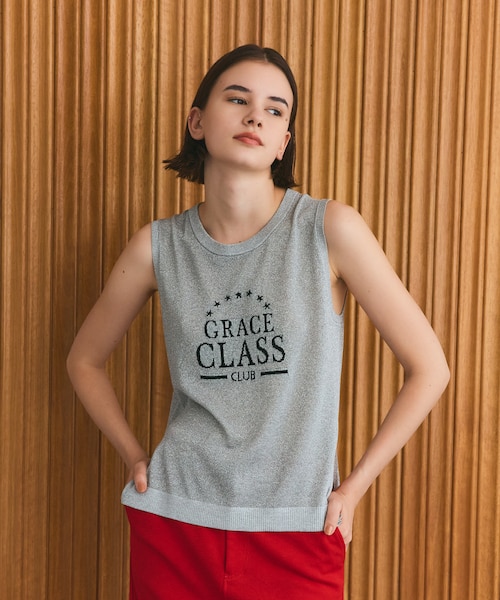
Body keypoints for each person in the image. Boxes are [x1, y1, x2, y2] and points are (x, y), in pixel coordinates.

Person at [67, 44, 450, 600]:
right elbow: (84, 360)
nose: (255, 117)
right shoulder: (158, 247)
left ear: (283, 142)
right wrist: (135, 457)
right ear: (197, 122)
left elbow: (430, 369)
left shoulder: (329, 230)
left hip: (298, 529)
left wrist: (353, 490)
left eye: (275, 109)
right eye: (237, 99)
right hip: (176, 523)